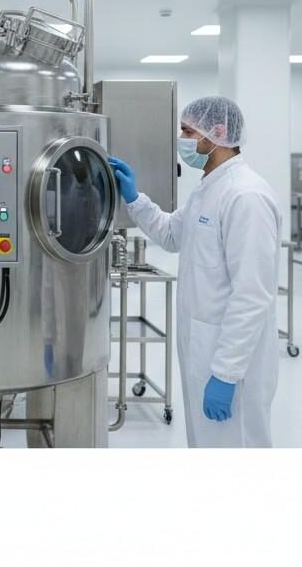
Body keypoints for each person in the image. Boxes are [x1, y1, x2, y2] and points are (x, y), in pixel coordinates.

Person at [108, 97, 281, 448]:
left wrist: (227, 373)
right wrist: (134, 197)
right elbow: (172, 234)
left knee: (237, 450)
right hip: (204, 347)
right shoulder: (209, 188)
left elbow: (251, 295)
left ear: (217, 134)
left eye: (188, 131)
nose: (182, 139)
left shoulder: (246, 196)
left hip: (231, 361)